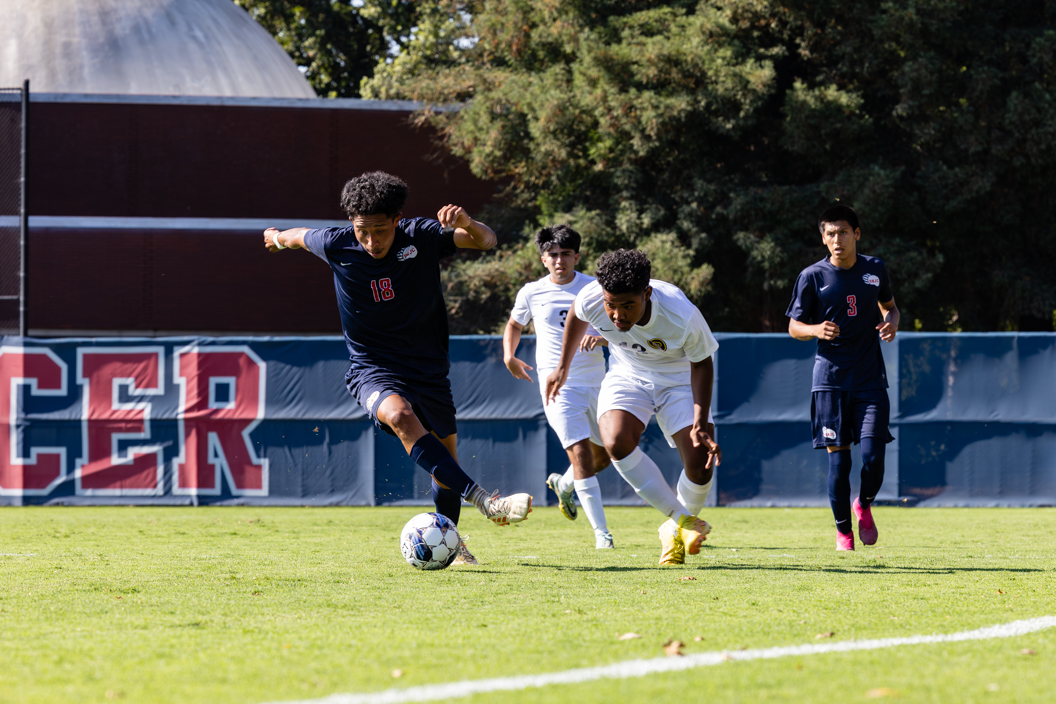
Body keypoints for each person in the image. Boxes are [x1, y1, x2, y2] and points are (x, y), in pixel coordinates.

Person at [263, 171, 532, 564]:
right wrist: (275, 237)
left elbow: (486, 241)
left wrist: (468, 224)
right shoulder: (336, 243)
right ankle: (485, 501)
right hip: (372, 366)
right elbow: (296, 236)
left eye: (379, 230)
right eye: (361, 231)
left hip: (428, 368)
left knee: (445, 465)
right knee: (398, 413)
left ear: (397, 220)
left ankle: (454, 546)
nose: (370, 241)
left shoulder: (420, 235)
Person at [545, 249, 720, 565]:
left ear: (647, 293)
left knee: (699, 461)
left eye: (628, 306)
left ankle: (673, 528)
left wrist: (699, 420)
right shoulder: (593, 298)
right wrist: (562, 367)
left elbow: (703, 364)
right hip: (628, 373)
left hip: (679, 379)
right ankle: (682, 520)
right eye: (611, 305)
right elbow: (576, 314)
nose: (617, 315)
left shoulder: (681, 313)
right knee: (614, 441)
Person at [786, 204, 899, 551]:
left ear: (857, 234)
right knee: (840, 461)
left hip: (869, 380)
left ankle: (863, 504)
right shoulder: (812, 277)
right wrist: (815, 329)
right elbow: (793, 327)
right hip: (830, 382)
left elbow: (890, 307)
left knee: (874, 458)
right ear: (823, 238)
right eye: (830, 233)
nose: (838, 239)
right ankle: (843, 533)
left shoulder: (875, 269)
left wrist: (892, 322)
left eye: (844, 232)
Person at [503, 225, 614, 549]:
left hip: (599, 381)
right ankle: (602, 536)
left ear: (577, 256)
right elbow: (514, 324)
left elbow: (622, 324)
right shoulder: (531, 292)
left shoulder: (595, 288)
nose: (559, 260)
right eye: (553, 254)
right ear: (543, 259)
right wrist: (509, 355)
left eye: (566, 254)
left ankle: (565, 485)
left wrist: (602, 337)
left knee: (606, 455)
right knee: (579, 452)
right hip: (557, 384)